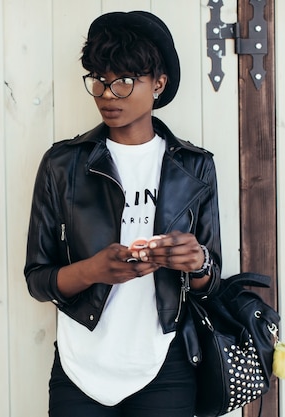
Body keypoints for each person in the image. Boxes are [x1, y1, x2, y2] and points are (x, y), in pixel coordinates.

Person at [24, 10, 222, 417]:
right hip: (79, 369)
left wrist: (197, 262)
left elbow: (212, 281)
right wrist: (94, 270)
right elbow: (37, 278)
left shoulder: (195, 167)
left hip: (166, 363)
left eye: (124, 82)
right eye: (99, 79)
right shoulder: (63, 164)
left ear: (159, 84)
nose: (107, 94)